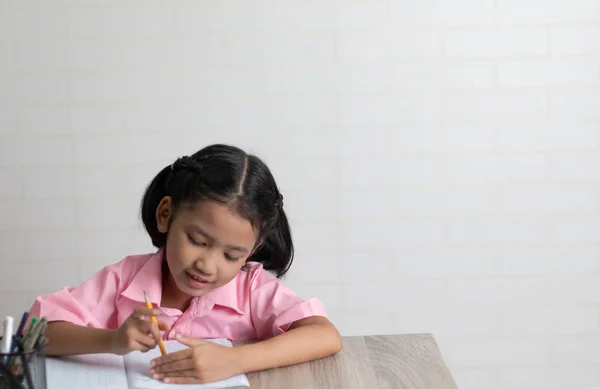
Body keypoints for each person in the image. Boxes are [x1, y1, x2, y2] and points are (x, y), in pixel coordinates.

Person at [27, 143, 342, 384]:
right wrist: (113, 339)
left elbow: (325, 335)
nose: (206, 264)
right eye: (197, 241)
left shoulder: (250, 290)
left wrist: (234, 360)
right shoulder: (123, 281)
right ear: (166, 215)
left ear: (252, 250)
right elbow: (34, 335)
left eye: (232, 256)